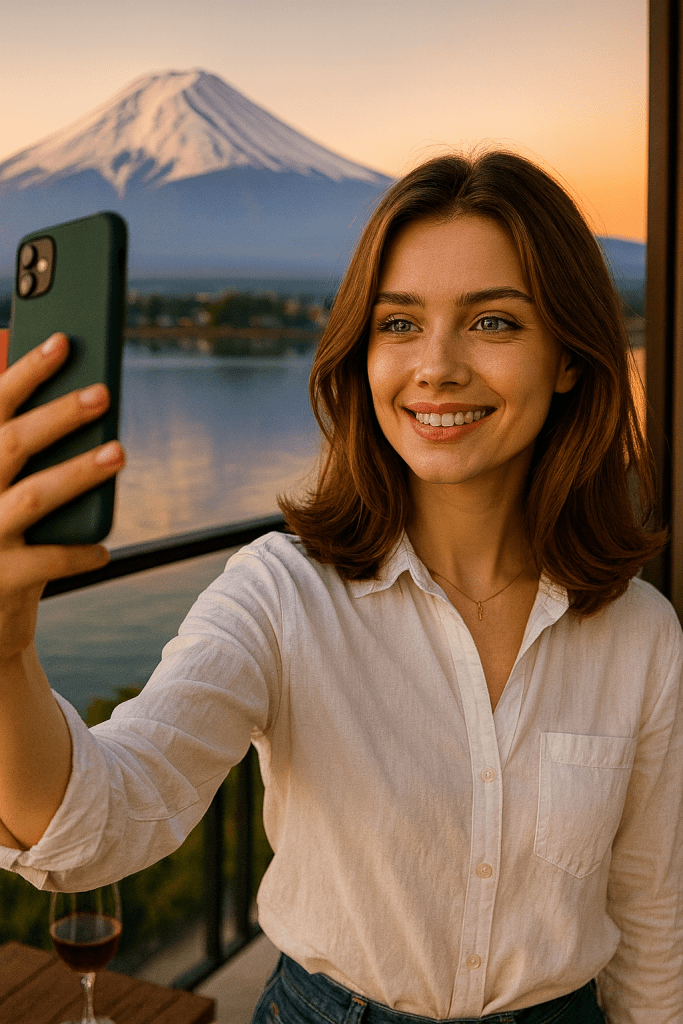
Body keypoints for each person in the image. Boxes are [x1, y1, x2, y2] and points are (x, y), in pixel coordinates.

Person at [0, 150, 680, 1024]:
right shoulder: (280, 596)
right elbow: (100, 824)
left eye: (494, 323)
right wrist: (8, 647)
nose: (435, 367)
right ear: (359, 354)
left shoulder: (639, 633)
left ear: (569, 359)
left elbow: (649, 920)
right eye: (398, 324)